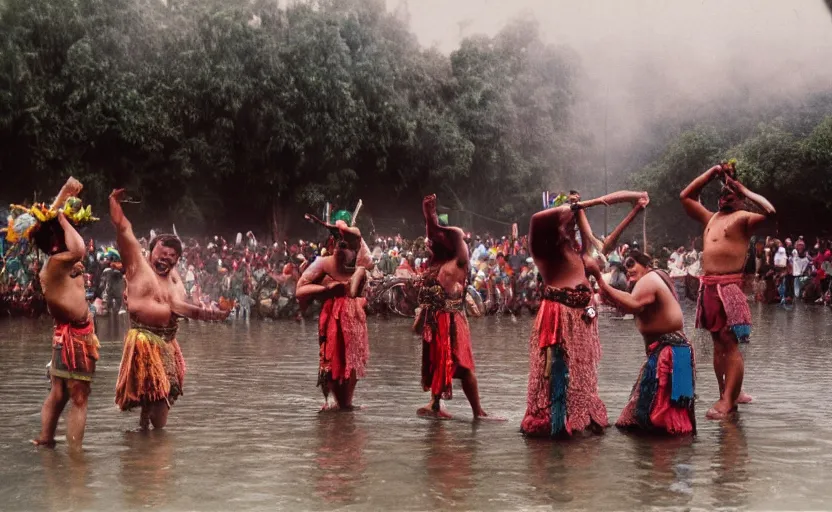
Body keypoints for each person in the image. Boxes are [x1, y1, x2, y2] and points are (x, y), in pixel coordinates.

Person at [521, 189, 647, 438]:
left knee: (581, 369)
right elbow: (538, 218)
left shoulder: (581, 255)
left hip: (584, 316)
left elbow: (608, 244)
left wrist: (635, 208)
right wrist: (586, 204)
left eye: (574, 225)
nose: (572, 229)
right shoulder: (545, 252)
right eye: (567, 223)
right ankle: (558, 423)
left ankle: (580, 416)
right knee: (558, 369)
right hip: (557, 315)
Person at [109, 189, 230, 430]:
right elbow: (123, 229)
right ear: (150, 250)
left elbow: (177, 307)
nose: (166, 260)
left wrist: (207, 314)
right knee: (157, 399)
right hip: (143, 339)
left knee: (162, 399)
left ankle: (146, 438)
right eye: (162, 254)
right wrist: (113, 202)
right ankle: (152, 447)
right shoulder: (137, 266)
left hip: (167, 342)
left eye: (172, 256)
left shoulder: (174, 278)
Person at [680, 162, 775, 420]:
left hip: (729, 288)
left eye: (730, 194)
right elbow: (686, 196)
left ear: (741, 198)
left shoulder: (743, 218)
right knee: (717, 344)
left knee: (730, 345)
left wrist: (742, 188)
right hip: (708, 288)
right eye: (722, 193)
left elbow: (770, 211)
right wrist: (711, 173)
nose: (725, 197)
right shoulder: (710, 217)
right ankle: (728, 392)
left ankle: (729, 401)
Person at [587, 224, 696, 435]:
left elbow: (631, 305)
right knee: (641, 421)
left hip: (671, 355)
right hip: (667, 353)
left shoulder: (650, 278)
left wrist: (599, 278)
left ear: (646, 265)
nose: (628, 270)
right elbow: (623, 303)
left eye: (632, 264)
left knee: (667, 424)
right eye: (625, 266)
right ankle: (662, 463)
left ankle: (666, 465)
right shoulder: (648, 282)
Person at [20, 178, 100, 448]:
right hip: (74, 336)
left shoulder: (63, 263)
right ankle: (76, 460)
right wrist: (64, 217)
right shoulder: (56, 262)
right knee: (79, 396)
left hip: (71, 334)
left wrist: (64, 194)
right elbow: (76, 246)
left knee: (58, 392)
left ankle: (45, 441)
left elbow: (46, 225)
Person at [413, 194, 494, 420]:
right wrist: (429, 218)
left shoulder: (459, 260)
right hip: (434, 319)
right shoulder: (434, 264)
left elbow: (454, 234)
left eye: (436, 241)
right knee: (437, 362)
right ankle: (435, 404)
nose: (431, 244)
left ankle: (478, 412)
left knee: (464, 365)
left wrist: (432, 219)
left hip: (454, 320)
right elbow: (433, 237)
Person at [296, 211, 372, 411]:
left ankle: (346, 403)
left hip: (354, 318)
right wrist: (326, 289)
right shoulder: (322, 263)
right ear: (332, 244)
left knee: (352, 360)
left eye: (347, 244)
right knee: (328, 360)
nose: (342, 247)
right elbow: (300, 289)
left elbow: (356, 238)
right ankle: (331, 401)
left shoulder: (360, 266)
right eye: (339, 242)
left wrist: (342, 228)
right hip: (331, 318)